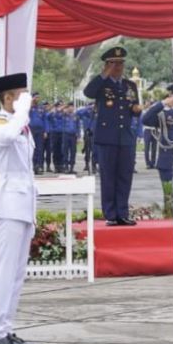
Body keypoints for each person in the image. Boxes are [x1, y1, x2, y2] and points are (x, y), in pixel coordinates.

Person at [0, 73, 37, 344]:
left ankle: (6, 328)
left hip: (24, 207)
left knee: (16, 275)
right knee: (4, 273)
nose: (26, 100)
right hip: (9, 208)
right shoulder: (1, 123)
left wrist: (24, 113)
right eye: (21, 95)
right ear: (8, 98)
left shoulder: (22, 125)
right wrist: (23, 110)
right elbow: (7, 137)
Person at [83, 46, 142, 226]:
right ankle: (110, 214)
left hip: (125, 137)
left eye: (120, 64)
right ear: (107, 65)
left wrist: (136, 110)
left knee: (125, 176)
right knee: (108, 176)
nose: (118, 67)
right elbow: (88, 93)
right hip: (106, 137)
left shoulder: (129, 85)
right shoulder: (102, 84)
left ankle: (122, 213)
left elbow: (133, 108)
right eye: (114, 64)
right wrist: (103, 75)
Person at [141, 83, 173, 216]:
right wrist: (162, 103)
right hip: (167, 159)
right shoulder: (163, 113)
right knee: (169, 198)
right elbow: (145, 119)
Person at [29, 93, 47, 174]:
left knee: (40, 149)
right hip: (31, 130)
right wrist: (30, 103)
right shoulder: (29, 107)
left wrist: (46, 131)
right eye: (36, 97)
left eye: (38, 97)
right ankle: (32, 166)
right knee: (32, 148)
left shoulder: (41, 108)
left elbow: (45, 120)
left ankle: (39, 166)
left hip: (40, 131)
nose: (37, 99)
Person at [76, 101, 97, 174]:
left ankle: (94, 166)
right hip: (87, 132)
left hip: (95, 133)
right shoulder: (85, 112)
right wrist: (88, 108)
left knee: (95, 150)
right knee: (87, 150)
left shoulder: (95, 113)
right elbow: (78, 113)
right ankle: (87, 164)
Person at [61, 102, 79, 174]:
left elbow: (78, 127)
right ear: (68, 108)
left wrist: (78, 136)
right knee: (65, 151)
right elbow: (59, 111)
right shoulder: (64, 115)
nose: (71, 108)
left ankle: (71, 168)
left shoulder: (76, 116)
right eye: (70, 107)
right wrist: (65, 106)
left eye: (72, 107)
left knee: (73, 151)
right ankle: (66, 167)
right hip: (66, 135)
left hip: (73, 135)